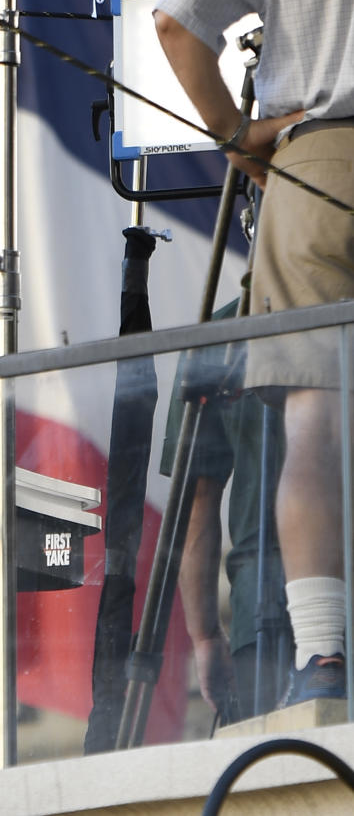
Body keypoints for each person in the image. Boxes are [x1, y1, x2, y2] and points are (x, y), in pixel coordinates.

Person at [156, 0, 354, 705]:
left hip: (318, 155)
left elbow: (175, 24)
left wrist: (237, 134)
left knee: (314, 417)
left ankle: (323, 655)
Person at [161, 300, 290, 722]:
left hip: (262, 606)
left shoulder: (218, 334)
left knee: (272, 776)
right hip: (271, 600)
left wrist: (204, 636)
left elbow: (195, 499)